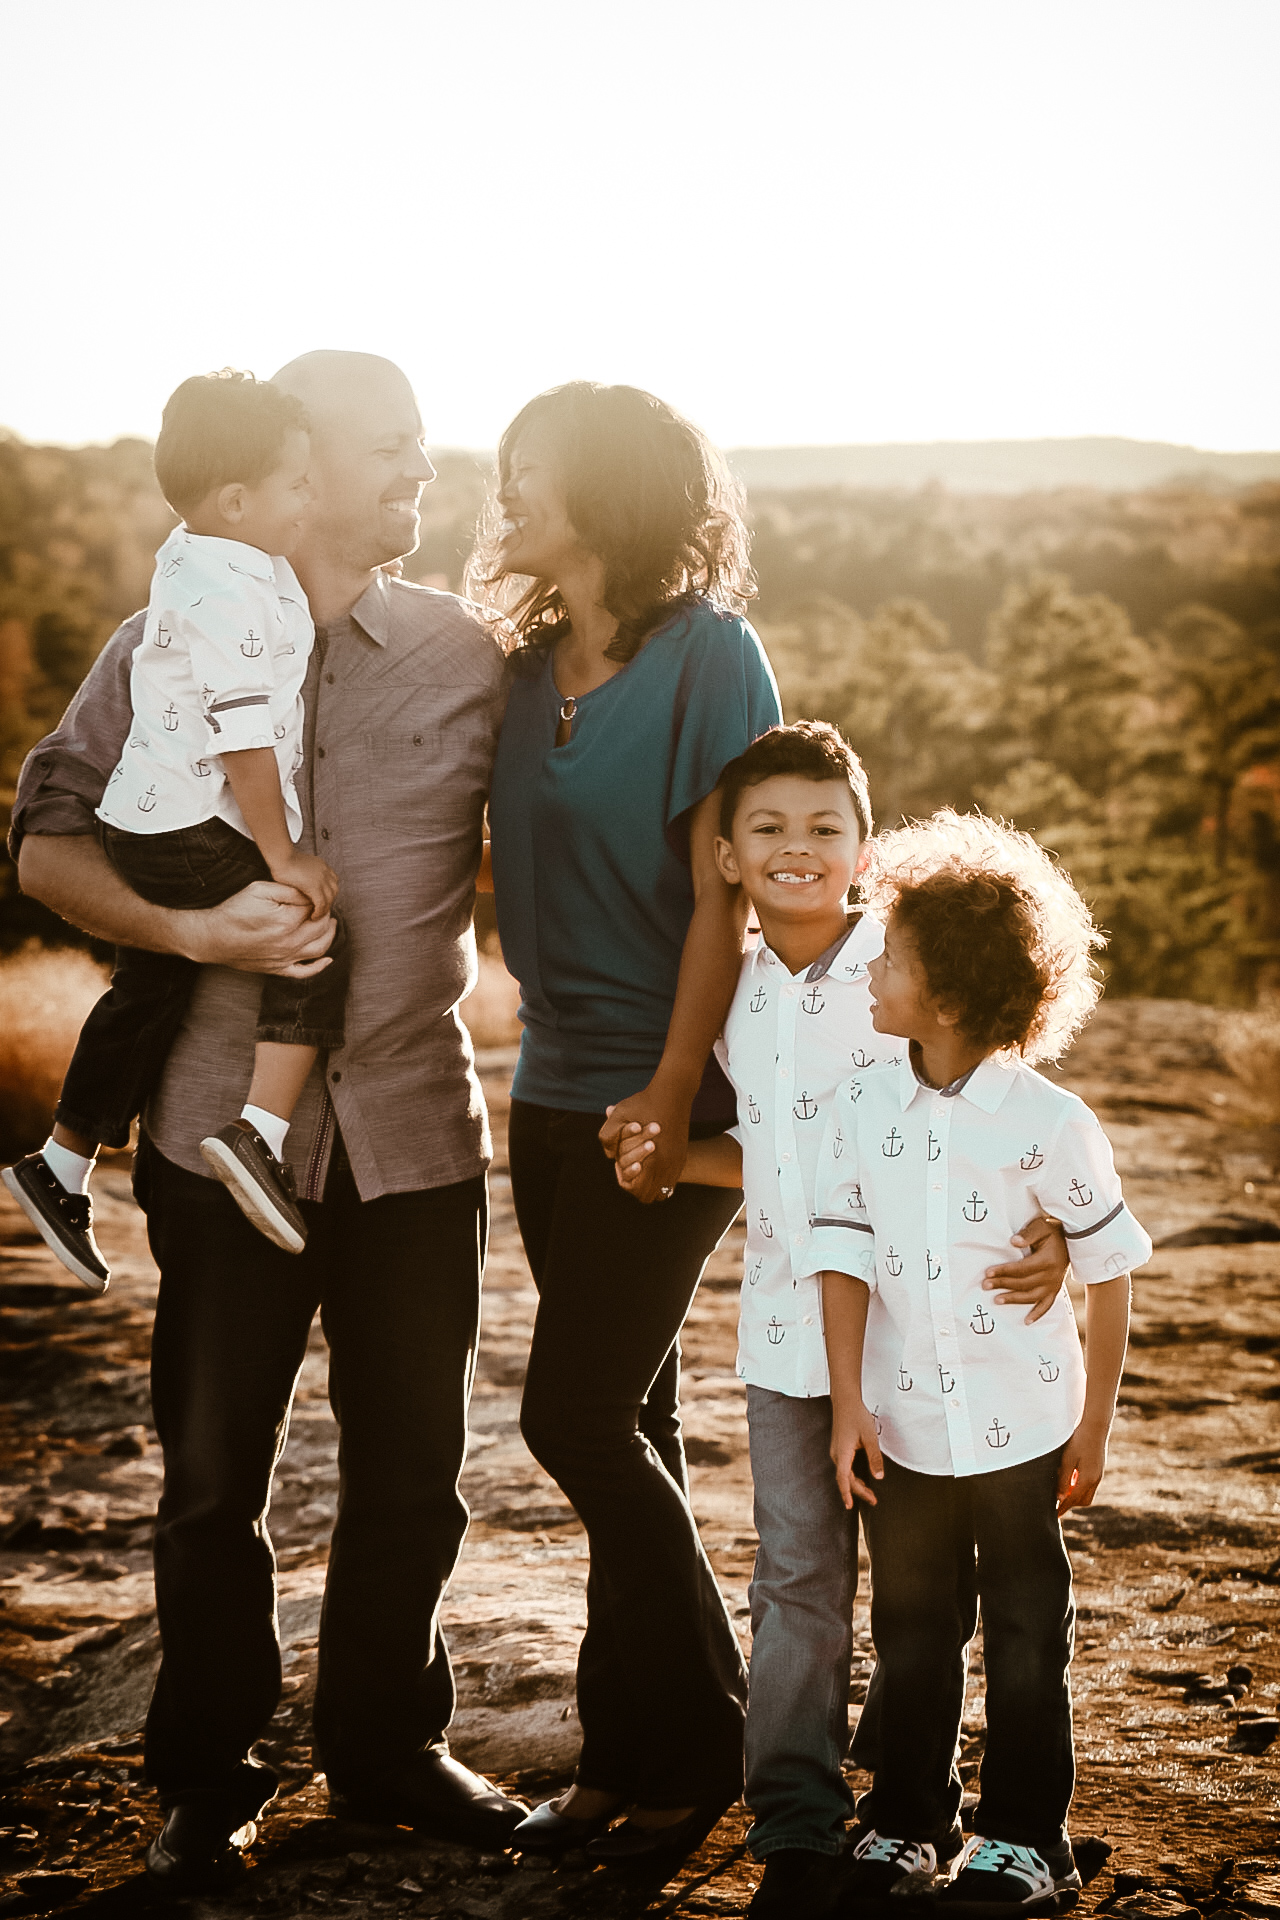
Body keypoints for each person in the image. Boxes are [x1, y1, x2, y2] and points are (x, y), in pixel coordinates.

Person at [8, 351, 526, 1890]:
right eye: (387, 448)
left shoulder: (463, 655)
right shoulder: (161, 636)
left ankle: (385, 1747)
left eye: (427, 445)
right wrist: (203, 939)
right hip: (208, 1130)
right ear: (294, 460)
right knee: (215, 1473)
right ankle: (207, 1775)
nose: (420, 473)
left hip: (419, 1130)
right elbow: (43, 841)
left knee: (415, 1467)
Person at [618, 727, 1071, 1920]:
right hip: (784, 1331)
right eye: (765, 829)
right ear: (724, 855)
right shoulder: (736, 989)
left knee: (925, 1593)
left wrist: (1058, 1228)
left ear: (865, 848)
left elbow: (1007, 1105)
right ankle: (798, 1824)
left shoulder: (907, 966)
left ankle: (935, 1813)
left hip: (921, 1340)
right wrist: (673, 1161)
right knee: (799, 1577)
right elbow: (779, 1164)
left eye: (823, 828)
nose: (795, 850)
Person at [475, 381, 781, 1876]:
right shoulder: (527, 667)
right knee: (634, 1420)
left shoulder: (711, 658)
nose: (504, 497)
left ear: (609, 493)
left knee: (573, 1418)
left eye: (532, 474)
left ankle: (718, 1735)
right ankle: (625, 1756)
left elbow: (731, 892)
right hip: (545, 1089)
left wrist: (672, 1087)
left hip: (674, 1089)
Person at [806, 810, 1151, 1911]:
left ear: (947, 992)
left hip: (1021, 1426)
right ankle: (907, 1820)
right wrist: (846, 1403)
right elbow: (843, 1255)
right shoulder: (859, 1104)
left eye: (890, 957)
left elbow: (1109, 1272)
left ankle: (1025, 1840)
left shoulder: (1046, 1121)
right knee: (909, 1631)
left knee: (1020, 1637)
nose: (870, 965)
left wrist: (1093, 1429)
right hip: (901, 1426)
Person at [4, 370, 347, 1287]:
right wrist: (282, 856)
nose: (312, 498)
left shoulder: (201, 560)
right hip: (190, 821)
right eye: (298, 484)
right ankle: (258, 1134)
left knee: (148, 986)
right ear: (238, 500)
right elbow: (242, 737)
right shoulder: (229, 592)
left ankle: (62, 1161)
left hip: (143, 822)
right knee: (310, 938)